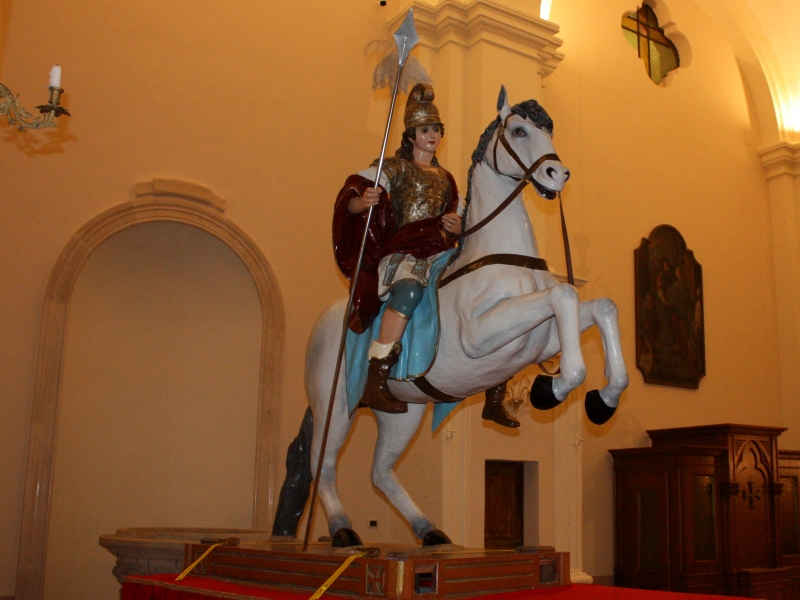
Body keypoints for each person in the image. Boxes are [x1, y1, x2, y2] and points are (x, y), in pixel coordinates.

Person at [333, 83, 517, 427]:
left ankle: (496, 386)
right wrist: (361, 203)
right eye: (425, 129)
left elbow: (463, 217)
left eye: (436, 129)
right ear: (411, 135)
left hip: (440, 250)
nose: (432, 135)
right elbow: (355, 189)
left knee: (481, 287)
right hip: (403, 252)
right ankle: (377, 373)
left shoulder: (447, 178)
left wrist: (457, 224)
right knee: (409, 290)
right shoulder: (394, 169)